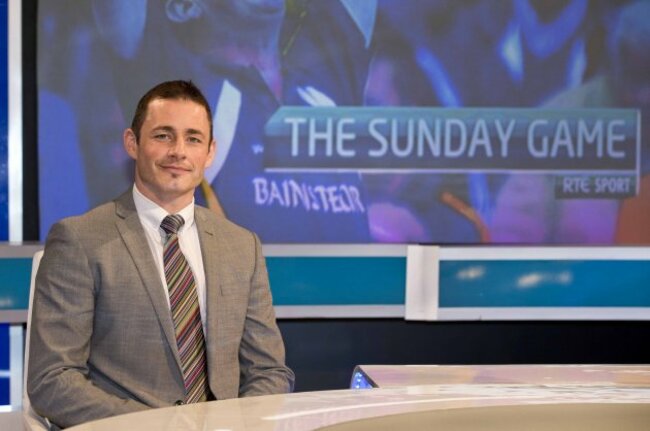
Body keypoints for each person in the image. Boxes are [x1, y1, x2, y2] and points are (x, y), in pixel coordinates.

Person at [27, 80, 295, 429]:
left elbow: (269, 371)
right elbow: (52, 380)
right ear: (132, 143)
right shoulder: (80, 240)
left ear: (210, 152)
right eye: (163, 136)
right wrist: (161, 425)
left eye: (193, 139)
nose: (178, 151)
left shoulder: (242, 246)